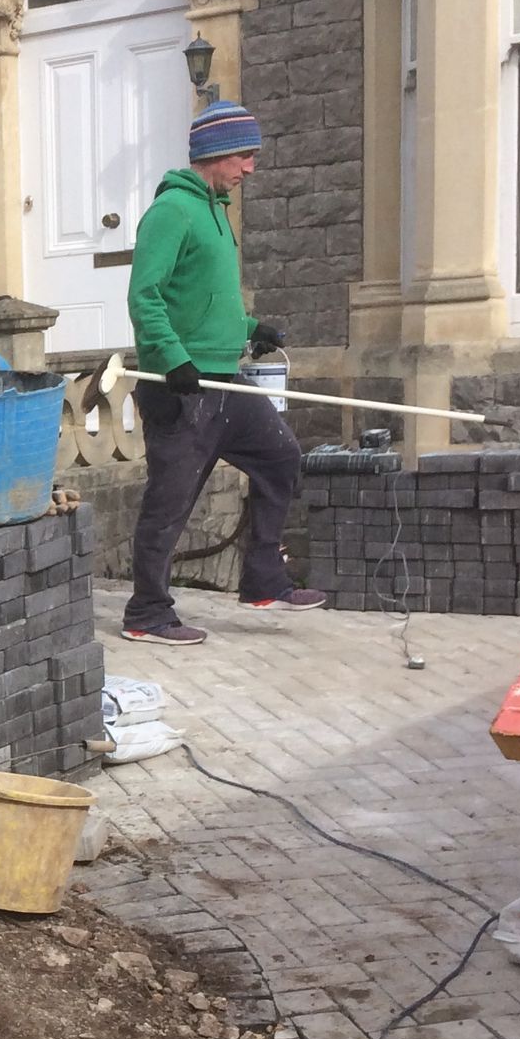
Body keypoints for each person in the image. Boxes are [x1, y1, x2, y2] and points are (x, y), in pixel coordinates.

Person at [121, 97, 324, 645]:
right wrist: (173, 359)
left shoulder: (215, 210)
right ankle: (147, 613)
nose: (250, 169)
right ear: (216, 153)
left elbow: (207, 298)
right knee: (170, 503)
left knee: (281, 456)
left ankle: (262, 577)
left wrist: (250, 327)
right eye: (244, 157)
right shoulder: (171, 212)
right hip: (181, 387)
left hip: (224, 381)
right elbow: (146, 298)